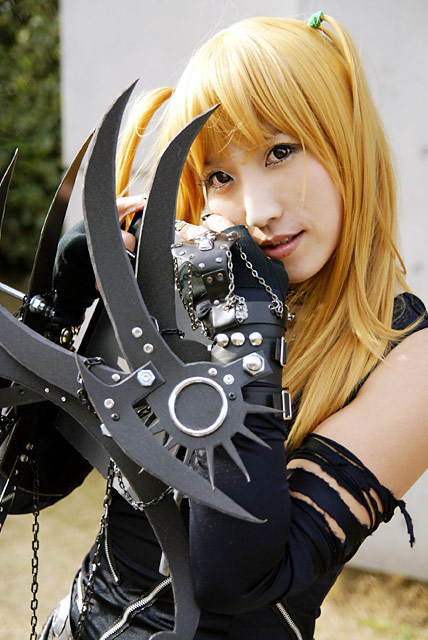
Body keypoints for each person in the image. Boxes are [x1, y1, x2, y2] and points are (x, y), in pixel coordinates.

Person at [39, 11, 428, 640]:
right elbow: (33, 483)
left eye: (281, 151)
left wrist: (247, 330)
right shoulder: (184, 295)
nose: (257, 211)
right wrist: (64, 307)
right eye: (220, 175)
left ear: (348, 145)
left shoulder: (407, 358)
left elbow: (230, 579)